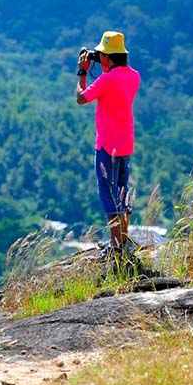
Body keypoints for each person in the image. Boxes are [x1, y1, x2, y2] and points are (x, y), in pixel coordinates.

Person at [76, 31, 141, 255]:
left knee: (109, 195)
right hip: (125, 144)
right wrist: (101, 65)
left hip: (106, 145)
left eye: (101, 54)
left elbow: (81, 98)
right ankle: (122, 243)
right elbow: (114, 85)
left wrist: (82, 73)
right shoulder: (134, 76)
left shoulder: (105, 80)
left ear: (108, 57)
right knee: (122, 193)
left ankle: (115, 248)